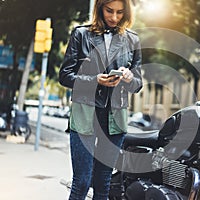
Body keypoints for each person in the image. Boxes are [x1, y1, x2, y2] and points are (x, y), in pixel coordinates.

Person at [59, 0, 142, 199]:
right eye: (109, 11)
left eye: (120, 12)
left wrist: (130, 78)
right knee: (82, 181)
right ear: (99, 8)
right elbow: (65, 76)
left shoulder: (132, 39)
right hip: (85, 113)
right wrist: (94, 81)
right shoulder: (81, 34)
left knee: (103, 183)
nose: (114, 17)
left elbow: (138, 83)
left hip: (115, 117)